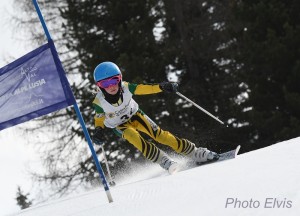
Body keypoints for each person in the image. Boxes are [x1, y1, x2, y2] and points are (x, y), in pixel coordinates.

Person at [91, 61, 219, 174]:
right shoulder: (99, 102)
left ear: (119, 79)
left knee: (160, 135)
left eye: (114, 80)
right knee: (133, 136)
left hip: (135, 115)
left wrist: (162, 87)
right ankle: (164, 161)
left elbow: (143, 88)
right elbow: (99, 119)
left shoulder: (126, 87)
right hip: (119, 125)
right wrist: (99, 130)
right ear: (99, 86)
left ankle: (194, 152)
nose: (111, 86)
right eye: (105, 84)